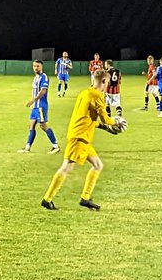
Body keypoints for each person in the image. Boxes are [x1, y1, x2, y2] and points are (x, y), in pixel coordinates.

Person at [41, 68, 127, 211]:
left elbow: (87, 118)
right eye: (107, 83)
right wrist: (116, 122)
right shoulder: (97, 96)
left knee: (98, 165)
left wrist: (105, 128)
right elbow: (105, 118)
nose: (107, 87)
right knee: (67, 167)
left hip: (81, 136)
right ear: (104, 81)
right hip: (80, 138)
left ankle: (85, 198)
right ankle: (47, 199)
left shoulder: (84, 93)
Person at [20, 60, 58, 153]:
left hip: (41, 105)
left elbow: (43, 91)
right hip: (35, 107)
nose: (36, 68)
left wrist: (33, 100)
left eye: (38, 66)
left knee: (43, 125)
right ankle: (27, 147)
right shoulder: (35, 77)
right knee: (31, 125)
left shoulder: (44, 77)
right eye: (34, 66)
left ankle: (55, 146)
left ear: (41, 67)